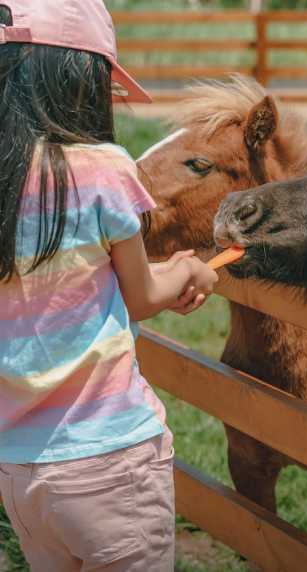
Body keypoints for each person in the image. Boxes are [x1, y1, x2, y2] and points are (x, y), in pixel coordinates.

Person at [0, 1, 219, 570]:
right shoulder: (103, 168)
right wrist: (191, 273)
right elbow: (144, 295)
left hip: (18, 469)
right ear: (79, 80)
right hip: (110, 459)